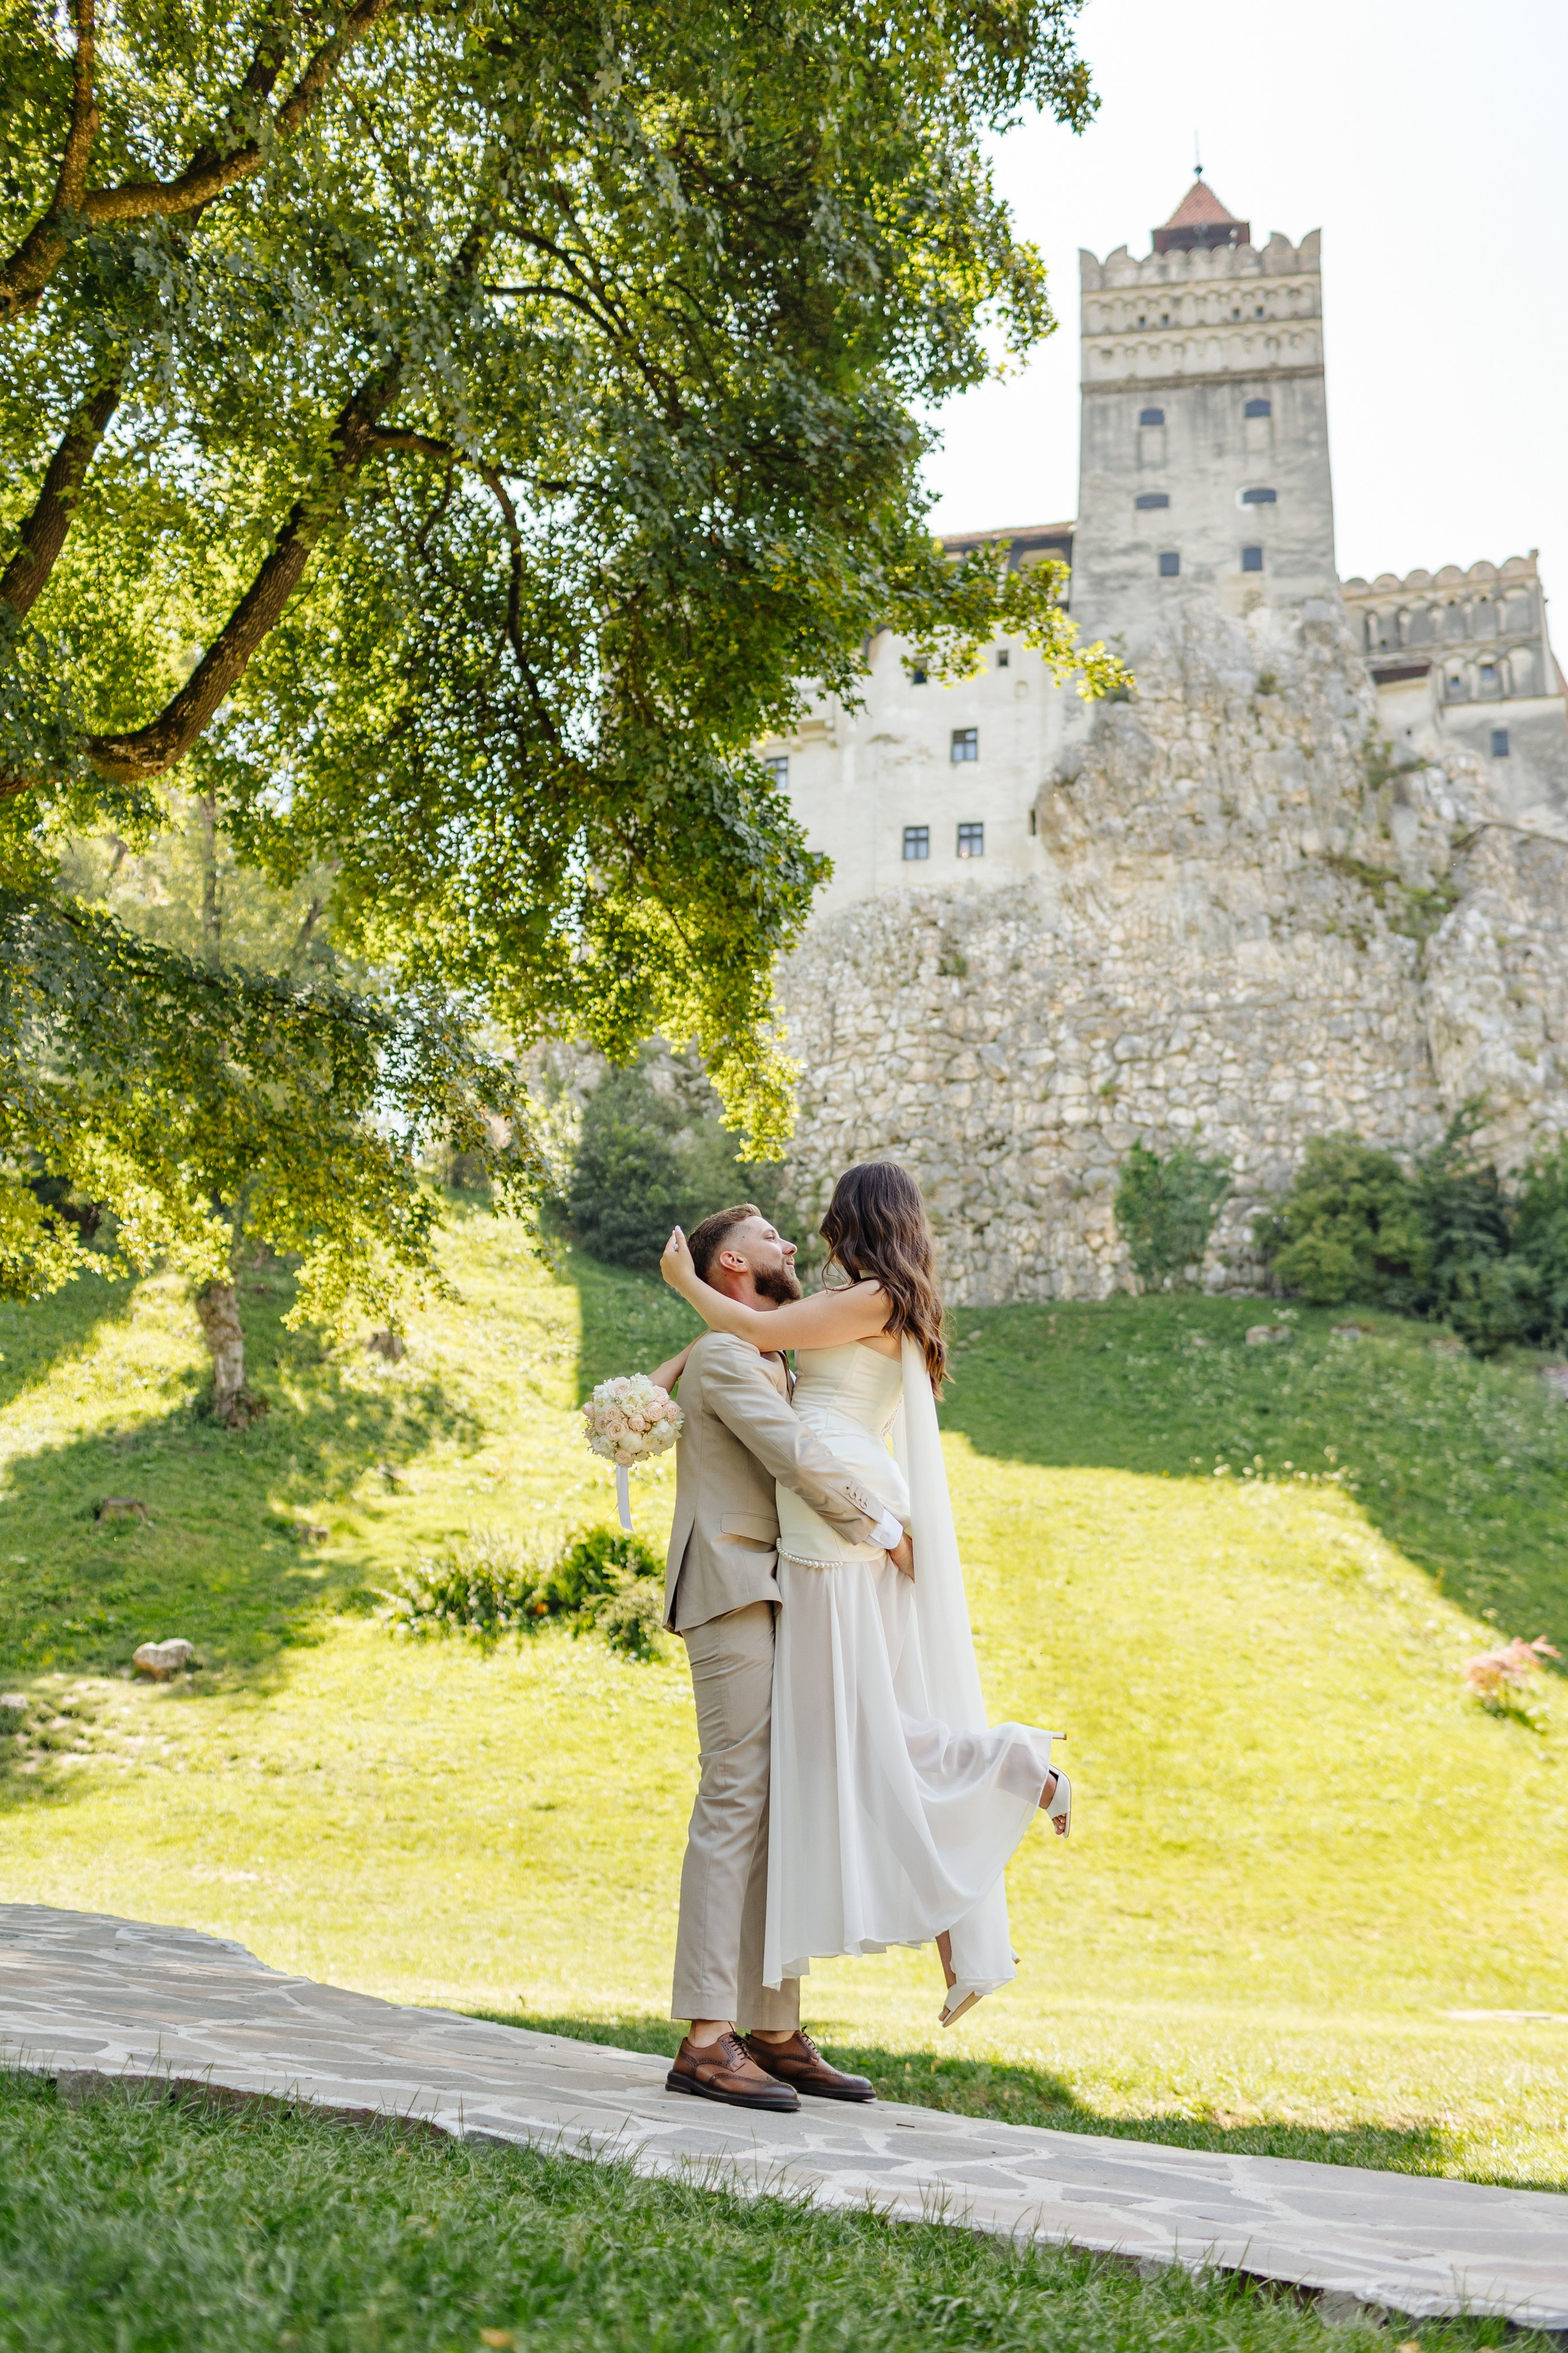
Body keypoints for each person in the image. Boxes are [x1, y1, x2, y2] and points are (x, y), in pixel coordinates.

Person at [661, 1161, 1068, 2030]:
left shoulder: (868, 1298)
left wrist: (682, 1279)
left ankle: (1011, 1767)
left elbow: (743, 1328)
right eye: (772, 1235)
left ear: (857, 1216)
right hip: (847, 1509)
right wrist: (651, 1389)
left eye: (825, 1217)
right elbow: (736, 1339)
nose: (806, 1235)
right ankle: (959, 1924)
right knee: (851, 1723)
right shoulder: (876, 1301)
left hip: (835, 1516)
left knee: (851, 1726)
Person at [651, 1201, 914, 2112]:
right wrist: (885, 1529)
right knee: (735, 1795)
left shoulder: (756, 1352)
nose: (791, 1244)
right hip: (731, 1583)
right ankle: (705, 2039)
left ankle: (770, 2029)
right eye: (768, 1237)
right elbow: (795, 1454)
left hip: (781, 1581)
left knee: (777, 1803)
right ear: (730, 1264)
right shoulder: (730, 1358)